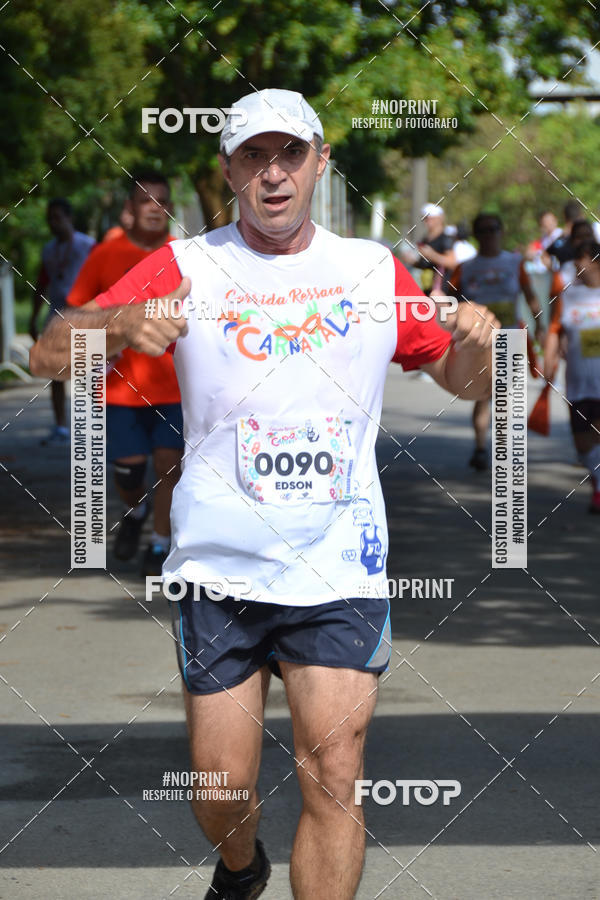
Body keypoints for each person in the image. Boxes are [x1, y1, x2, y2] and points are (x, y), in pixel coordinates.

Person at [30, 88, 499, 900]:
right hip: (218, 566)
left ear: (320, 162)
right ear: (228, 174)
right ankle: (241, 866)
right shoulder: (187, 264)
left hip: (338, 564)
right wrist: (122, 323)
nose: (273, 174)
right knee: (219, 790)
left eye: (290, 154)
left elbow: (456, 379)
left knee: (334, 775)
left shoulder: (368, 269)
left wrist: (482, 348)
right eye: (253, 156)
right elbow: (47, 353)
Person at [67, 172, 183, 577]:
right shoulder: (105, 254)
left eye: (163, 201)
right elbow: (77, 312)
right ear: (130, 210)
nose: (156, 208)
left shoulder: (185, 256)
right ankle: (136, 510)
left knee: (171, 466)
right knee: (129, 472)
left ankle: (160, 543)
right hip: (117, 388)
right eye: (146, 201)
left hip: (175, 387)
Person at [448, 211, 543, 471]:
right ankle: (480, 447)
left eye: (494, 229)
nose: (490, 235)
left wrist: (542, 326)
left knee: (504, 396)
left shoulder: (514, 263)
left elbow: (531, 295)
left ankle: (503, 449)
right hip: (479, 341)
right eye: (485, 230)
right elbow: (448, 300)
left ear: (502, 232)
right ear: (477, 235)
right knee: (483, 395)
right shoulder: (465, 268)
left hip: (510, 338)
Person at [29, 198, 95, 445]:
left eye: (57, 217)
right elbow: (41, 284)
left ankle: (94, 426)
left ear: (69, 218)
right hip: (56, 316)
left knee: (90, 372)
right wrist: (34, 318)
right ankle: (60, 427)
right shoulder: (49, 249)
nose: (53, 223)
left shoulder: (88, 245)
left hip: (86, 315)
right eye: (50, 218)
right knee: (56, 373)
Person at [545, 241, 600, 512]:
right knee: (582, 445)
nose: (576, 265)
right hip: (577, 382)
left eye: (582, 259)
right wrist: (549, 359)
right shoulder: (569, 296)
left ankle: (598, 490)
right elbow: (556, 330)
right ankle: (597, 481)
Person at [400, 203, 456, 294]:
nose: (428, 221)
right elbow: (425, 265)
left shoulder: (446, 238)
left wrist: (432, 255)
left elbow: (451, 262)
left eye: (431, 218)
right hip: (425, 289)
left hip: (441, 291)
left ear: (440, 218)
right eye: (425, 218)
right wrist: (413, 261)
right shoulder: (425, 239)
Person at [544, 200, 584, 270]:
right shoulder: (562, 239)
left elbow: (545, 256)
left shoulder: (562, 238)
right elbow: (546, 255)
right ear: (582, 215)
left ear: (565, 218)